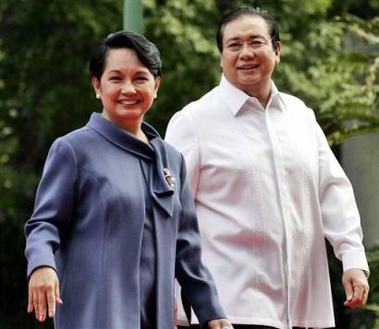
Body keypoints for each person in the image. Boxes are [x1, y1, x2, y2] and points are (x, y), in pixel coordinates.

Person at [165, 6, 370, 329]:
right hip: (228, 311)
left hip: (305, 309)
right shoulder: (193, 121)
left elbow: (333, 191)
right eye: (234, 45)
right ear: (221, 56)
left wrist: (353, 259)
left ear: (277, 51)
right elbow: (170, 216)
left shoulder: (301, 116)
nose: (245, 53)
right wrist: (172, 306)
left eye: (255, 42)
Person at [24, 30, 234, 329]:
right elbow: (44, 223)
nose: (128, 88)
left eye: (140, 78)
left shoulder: (172, 160)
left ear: (156, 85)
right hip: (94, 317)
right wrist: (42, 264)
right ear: (97, 85)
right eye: (115, 78)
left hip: (157, 318)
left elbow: (187, 249)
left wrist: (213, 313)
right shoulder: (73, 149)